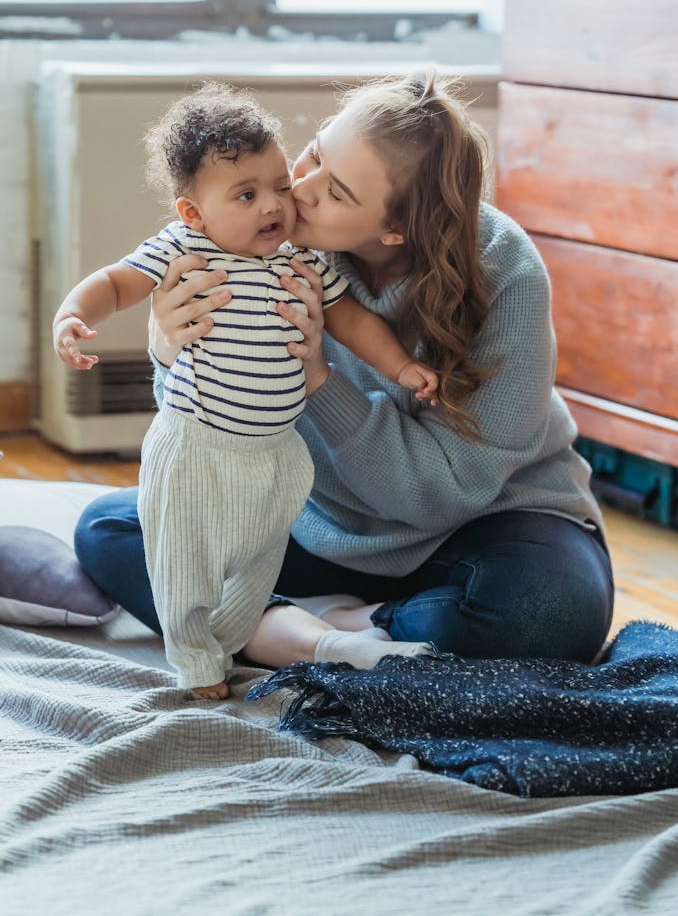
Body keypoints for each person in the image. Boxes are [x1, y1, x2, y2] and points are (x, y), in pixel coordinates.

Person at [74, 71, 614, 687]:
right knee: (109, 528)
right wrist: (168, 352)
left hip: (480, 527)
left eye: (333, 193)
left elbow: (440, 494)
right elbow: (209, 427)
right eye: (312, 155)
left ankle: (304, 630)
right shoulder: (252, 239)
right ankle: (326, 638)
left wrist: (320, 380)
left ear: (394, 230)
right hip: (311, 521)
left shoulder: (506, 274)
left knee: (549, 617)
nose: (293, 192)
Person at [54, 83, 437, 699]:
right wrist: (72, 315)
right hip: (197, 446)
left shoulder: (300, 262)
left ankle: (241, 631)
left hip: (277, 454)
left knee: (256, 560)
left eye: (279, 186)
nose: (274, 207)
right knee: (183, 559)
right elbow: (116, 282)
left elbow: (353, 322)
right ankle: (197, 658)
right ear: (193, 213)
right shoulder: (185, 249)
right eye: (247, 194)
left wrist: (401, 368)